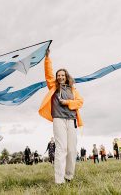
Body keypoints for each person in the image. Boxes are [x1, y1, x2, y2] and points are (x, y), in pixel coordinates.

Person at [39, 49, 84, 184]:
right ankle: (59, 181)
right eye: (58, 75)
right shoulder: (53, 87)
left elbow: (80, 102)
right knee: (61, 148)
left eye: (62, 75)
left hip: (71, 120)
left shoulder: (73, 90)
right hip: (58, 119)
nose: (60, 77)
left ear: (66, 76)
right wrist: (47, 58)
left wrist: (68, 102)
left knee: (71, 150)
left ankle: (69, 176)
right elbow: (48, 74)